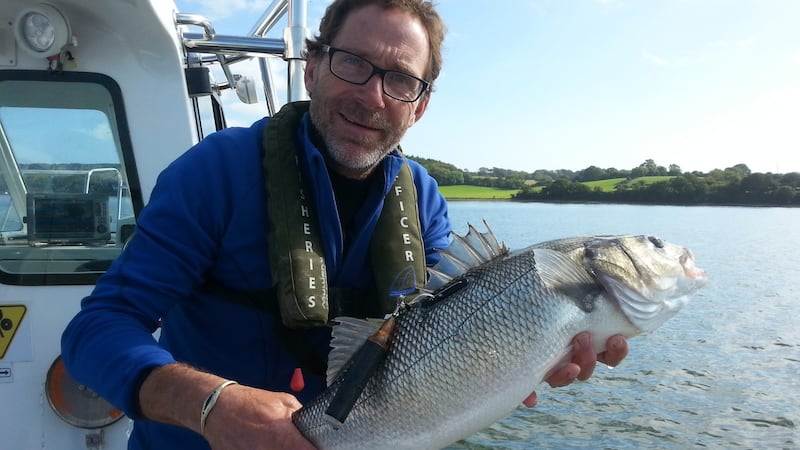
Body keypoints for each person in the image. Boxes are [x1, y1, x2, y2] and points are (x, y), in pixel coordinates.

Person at [61, 0, 629, 449]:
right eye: (353, 63)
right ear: (311, 68)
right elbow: (95, 331)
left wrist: (531, 353)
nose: (371, 96)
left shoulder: (424, 200)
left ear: (420, 107)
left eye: (400, 80)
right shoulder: (214, 173)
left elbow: (443, 332)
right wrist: (212, 407)